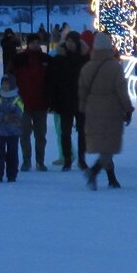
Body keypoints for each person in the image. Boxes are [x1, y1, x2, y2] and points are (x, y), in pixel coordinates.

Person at [79, 33, 132, 190]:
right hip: (111, 109)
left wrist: (82, 109)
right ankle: (95, 172)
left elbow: (82, 91)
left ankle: (109, 178)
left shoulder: (87, 67)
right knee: (109, 146)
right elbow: (121, 90)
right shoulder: (115, 66)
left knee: (103, 145)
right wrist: (128, 108)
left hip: (92, 109)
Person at [8, 34, 51, 171]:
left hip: (41, 103)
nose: (35, 45)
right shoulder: (18, 59)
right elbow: (9, 77)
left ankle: (40, 161)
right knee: (24, 134)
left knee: (40, 135)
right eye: (33, 42)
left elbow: (52, 81)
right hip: (23, 103)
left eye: (37, 42)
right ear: (28, 43)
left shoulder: (46, 59)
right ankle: (26, 160)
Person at [47, 30, 88, 171]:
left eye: (72, 41)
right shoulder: (59, 59)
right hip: (64, 101)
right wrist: (52, 102)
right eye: (68, 41)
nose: (70, 44)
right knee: (65, 132)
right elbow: (52, 82)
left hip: (81, 100)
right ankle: (67, 158)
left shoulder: (85, 58)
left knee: (82, 132)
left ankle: (82, 159)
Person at [0, 74, 25, 182]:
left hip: (13, 131)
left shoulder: (17, 98)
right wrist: (3, 116)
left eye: (7, 83)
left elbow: (20, 111)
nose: (4, 86)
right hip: (0, 131)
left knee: (12, 153)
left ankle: (12, 174)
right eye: (3, 83)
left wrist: (11, 117)